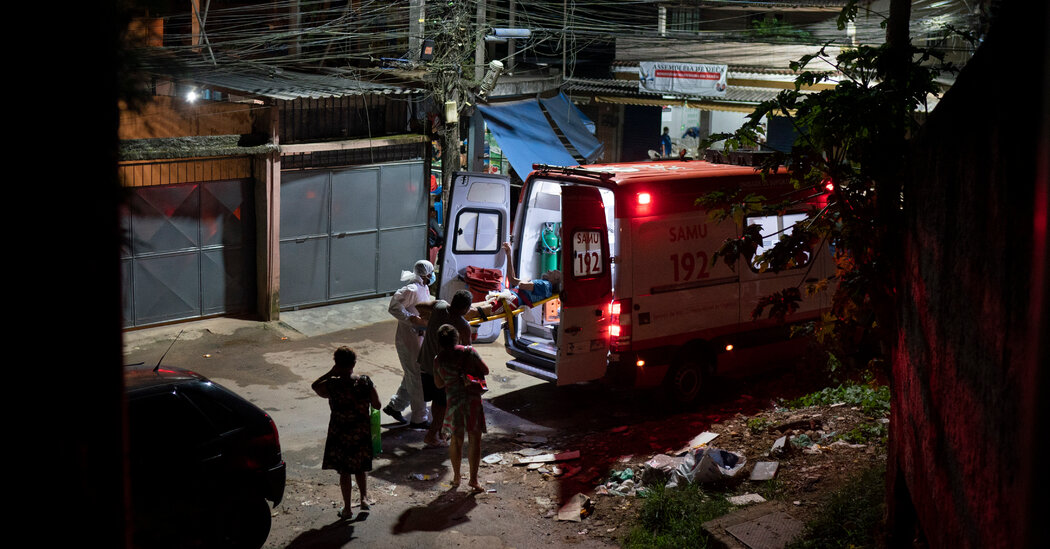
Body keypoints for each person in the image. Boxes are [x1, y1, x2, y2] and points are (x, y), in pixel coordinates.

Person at [312, 346, 381, 516]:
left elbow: (315, 386)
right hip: (360, 431)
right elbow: (377, 405)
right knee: (361, 466)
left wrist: (331, 373)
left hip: (340, 432)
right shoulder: (364, 382)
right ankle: (364, 499)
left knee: (344, 471)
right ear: (354, 363)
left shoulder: (332, 384)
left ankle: (348, 508)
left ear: (336, 363)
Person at [432, 324, 489, 492]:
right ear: (457, 338)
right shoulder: (469, 352)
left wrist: (451, 379)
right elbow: (485, 370)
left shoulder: (438, 360)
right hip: (472, 401)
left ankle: (457, 477)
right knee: (474, 439)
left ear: (440, 342)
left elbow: (439, 384)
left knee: (456, 440)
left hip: (454, 403)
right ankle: (473, 480)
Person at [416, 289, 474, 448]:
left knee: (438, 401)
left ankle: (440, 431)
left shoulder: (439, 306)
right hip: (444, 370)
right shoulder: (462, 325)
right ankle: (431, 435)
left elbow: (419, 305)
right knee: (445, 404)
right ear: (466, 308)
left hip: (426, 363)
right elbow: (467, 351)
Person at [383, 259, 434, 428]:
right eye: (431, 273)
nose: (433, 276)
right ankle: (419, 418)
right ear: (425, 274)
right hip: (408, 339)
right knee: (417, 377)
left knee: (412, 374)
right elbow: (394, 307)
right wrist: (411, 319)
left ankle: (395, 406)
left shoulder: (424, 288)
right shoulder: (411, 289)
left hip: (418, 337)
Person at [466, 242, 562, 320]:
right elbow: (512, 279)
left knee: (473, 311)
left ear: (556, 280)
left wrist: (526, 279)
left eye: (553, 272)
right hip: (509, 298)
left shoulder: (546, 285)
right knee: (469, 308)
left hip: (510, 300)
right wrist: (509, 255)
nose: (549, 270)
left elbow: (522, 285)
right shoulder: (543, 285)